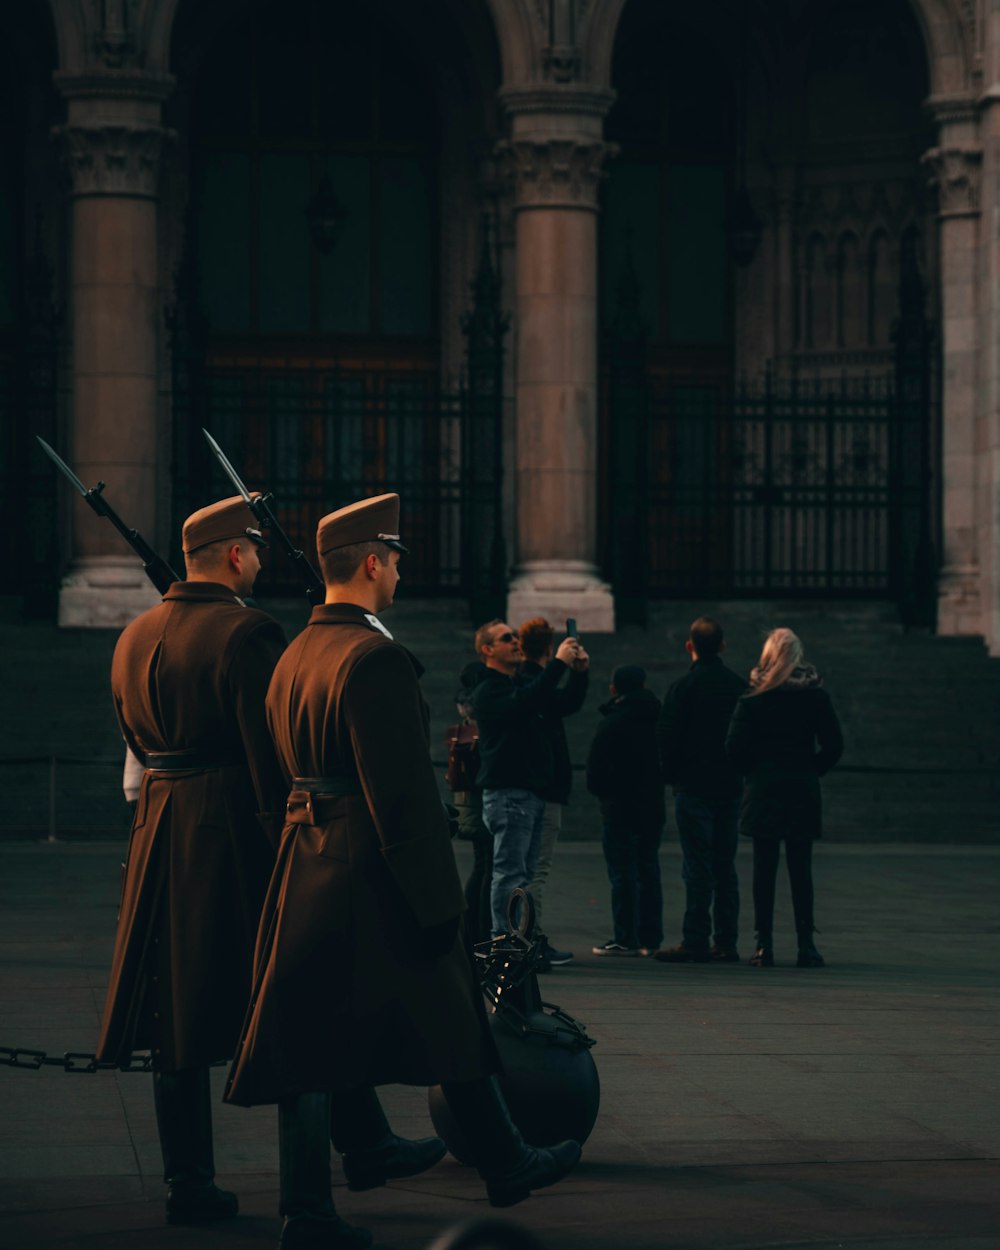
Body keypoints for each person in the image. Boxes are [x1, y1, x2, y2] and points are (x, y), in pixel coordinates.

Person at [226, 494, 580, 1250]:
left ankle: (351, 1194)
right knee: (447, 1008)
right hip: (368, 864)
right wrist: (436, 896)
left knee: (313, 1038)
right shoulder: (374, 656)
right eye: (396, 559)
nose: (399, 573)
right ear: (375, 562)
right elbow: (401, 792)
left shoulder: (295, 652)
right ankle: (499, 1163)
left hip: (308, 858)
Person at [96, 495, 288, 1226]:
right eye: (257, 549)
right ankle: (343, 1159)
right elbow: (268, 752)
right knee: (282, 986)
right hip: (232, 825)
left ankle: (189, 1182)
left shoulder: (132, 635)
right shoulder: (247, 632)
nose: (263, 561)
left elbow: (137, 746)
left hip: (158, 827)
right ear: (235, 554)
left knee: (170, 1009)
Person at [725, 627, 844, 968]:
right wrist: (811, 769)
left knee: (764, 869)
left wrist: (754, 772)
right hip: (801, 788)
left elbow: (733, 748)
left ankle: (764, 945)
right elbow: (834, 745)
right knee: (800, 869)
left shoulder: (754, 696)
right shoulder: (816, 696)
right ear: (798, 656)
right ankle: (806, 945)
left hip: (763, 788)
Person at [471, 619, 588, 939]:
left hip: (529, 792)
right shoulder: (489, 690)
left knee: (522, 874)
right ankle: (504, 939)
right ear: (488, 649)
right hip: (509, 794)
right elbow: (527, 702)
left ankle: (516, 938)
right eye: (506, 638)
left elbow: (554, 702)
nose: (515, 642)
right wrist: (559, 664)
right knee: (510, 873)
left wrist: (577, 673)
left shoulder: (511, 686)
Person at [655, 616, 748, 963]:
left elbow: (666, 738)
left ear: (689, 646)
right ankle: (726, 941)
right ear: (722, 646)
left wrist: (672, 776)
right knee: (725, 865)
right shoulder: (737, 685)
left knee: (697, 865)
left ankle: (695, 938)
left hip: (692, 787)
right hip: (728, 786)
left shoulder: (682, 688)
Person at [517, 617, 589, 968]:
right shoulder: (529, 682)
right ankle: (533, 939)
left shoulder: (532, 681)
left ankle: (529, 936)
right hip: (542, 787)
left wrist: (577, 672)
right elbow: (547, 698)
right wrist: (562, 665)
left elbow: (565, 704)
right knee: (535, 869)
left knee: (529, 868)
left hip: (544, 786)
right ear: (549, 648)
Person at [586, 665, 665, 957]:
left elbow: (594, 773)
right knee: (648, 868)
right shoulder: (658, 717)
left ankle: (626, 937)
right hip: (651, 804)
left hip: (619, 807)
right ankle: (651, 937)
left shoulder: (611, 723)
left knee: (622, 872)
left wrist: (607, 793)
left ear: (614, 688)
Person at [449, 659, 492, 945]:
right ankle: (476, 928)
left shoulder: (464, 715)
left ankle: (470, 928)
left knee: (482, 865)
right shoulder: (483, 709)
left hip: (467, 799)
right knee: (487, 867)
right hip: (481, 799)